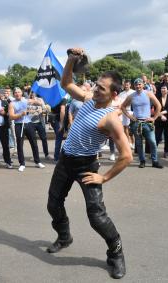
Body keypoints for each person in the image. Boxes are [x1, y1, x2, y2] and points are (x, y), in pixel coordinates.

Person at [47, 47, 132, 279]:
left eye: (101, 88)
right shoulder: (88, 99)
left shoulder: (111, 119)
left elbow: (126, 155)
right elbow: (66, 83)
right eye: (96, 85)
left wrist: (103, 177)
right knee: (53, 205)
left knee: (97, 216)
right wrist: (71, 60)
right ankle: (64, 237)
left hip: (86, 166)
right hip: (66, 161)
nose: (95, 89)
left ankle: (116, 253)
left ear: (114, 94)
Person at [122, 78, 163, 169]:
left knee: (152, 142)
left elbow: (158, 105)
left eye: (140, 84)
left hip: (147, 123)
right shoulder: (131, 96)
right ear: (134, 86)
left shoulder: (148, 93)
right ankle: (142, 161)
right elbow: (123, 107)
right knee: (139, 143)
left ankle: (155, 161)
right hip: (136, 123)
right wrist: (130, 117)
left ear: (143, 85)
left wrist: (154, 118)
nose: (138, 86)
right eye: (136, 85)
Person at [8, 87, 45, 172]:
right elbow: (11, 116)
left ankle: (37, 161)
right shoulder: (12, 104)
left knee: (34, 143)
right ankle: (22, 164)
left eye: (19, 92)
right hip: (19, 125)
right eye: (16, 92)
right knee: (20, 145)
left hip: (29, 124)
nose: (17, 94)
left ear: (21, 93)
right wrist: (21, 114)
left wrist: (35, 101)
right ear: (14, 94)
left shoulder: (26, 100)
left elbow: (39, 104)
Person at [28, 92, 51, 159]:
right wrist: (30, 111)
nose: (32, 94)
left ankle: (46, 154)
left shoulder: (40, 99)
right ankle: (35, 155)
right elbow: (25, 110)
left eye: (33, 93)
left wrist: (40, 104)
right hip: (31, 123)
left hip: (40, 122)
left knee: (44, 138)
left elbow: (45, 109)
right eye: (31, 93)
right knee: (33, 140)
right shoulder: (27, 100)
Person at [154, 85, 168, 158]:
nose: (163, 89)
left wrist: (163, 113)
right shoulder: (157, 98)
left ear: (167, 90)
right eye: (162, 88)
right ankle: (154, 151)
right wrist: (160, 115)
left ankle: (166, 152)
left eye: (165, 88)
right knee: (157, 136)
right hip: (159, 120)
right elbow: (154, 109)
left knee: (167, 137)